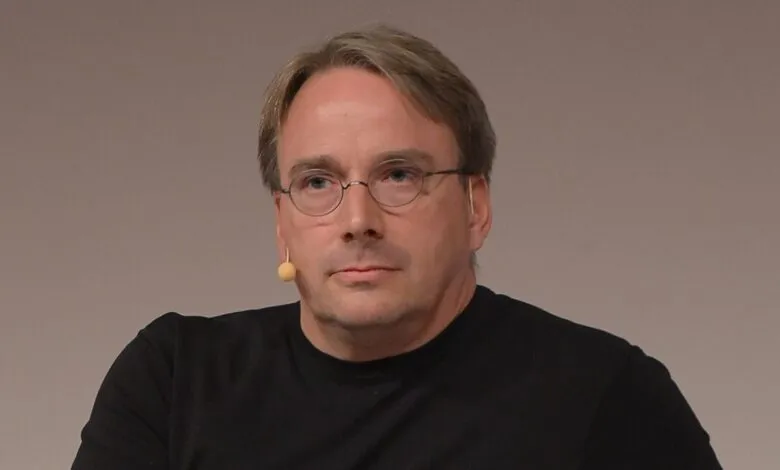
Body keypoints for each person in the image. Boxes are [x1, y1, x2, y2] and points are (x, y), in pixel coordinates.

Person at [71, 24, 722, 469]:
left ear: (476, 206)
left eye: (399, 175)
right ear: (282, 221)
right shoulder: (174, 382)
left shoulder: (604, 396)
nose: (358, 219)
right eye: (318, 181)